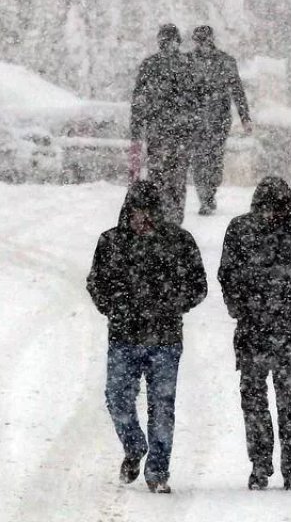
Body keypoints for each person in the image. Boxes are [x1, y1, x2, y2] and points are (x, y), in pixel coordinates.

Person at [86, 181, 207, 494]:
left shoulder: (179, 242)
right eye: (139, 213)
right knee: (117, 400)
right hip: (123, 337)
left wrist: (172, 305)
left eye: (150, 213)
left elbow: (198, 285)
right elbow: (95, 282)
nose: (144, 220)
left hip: (165, 339)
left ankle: (158, 471)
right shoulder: (111, 242)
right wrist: (113, 307)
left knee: (162, 407)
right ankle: (135, 445)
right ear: (129, 212)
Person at [217, 177, 291, 492]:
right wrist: (241, 309)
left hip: (289, 332)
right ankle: (261, 464)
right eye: (265, 209)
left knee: (290, 404)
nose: (270, 215)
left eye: (276, 209)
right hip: (255, 330)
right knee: (255, 402)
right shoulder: (241, 230)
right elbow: (227, 275)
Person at [131, 23, 198, 225]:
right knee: (174, 179)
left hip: (161, 133)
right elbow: (197, 100)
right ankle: (173, 221)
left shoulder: (151, 65)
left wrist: (137, 130)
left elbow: (138, 101)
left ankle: (163, 219)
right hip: (177, 133)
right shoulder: (187, 64)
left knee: (161, 178)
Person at [188, 25, 252, 216]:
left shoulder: (226, 62)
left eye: (204, 40)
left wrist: (245, 117)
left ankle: (210, 191)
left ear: (211, 40)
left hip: (219, 119)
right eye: (198, 41)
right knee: (199, 160)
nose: (201, 45)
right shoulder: (188, 62)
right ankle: (204, 198)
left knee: (214, 160)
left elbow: (238, 92)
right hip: (196, 121)